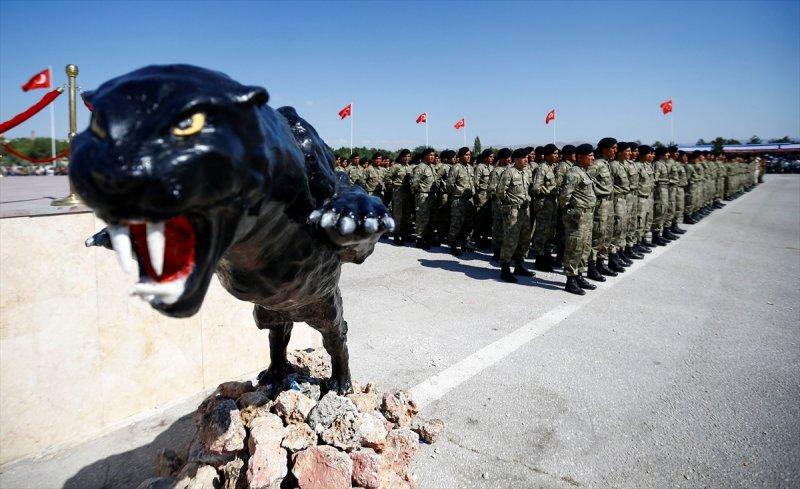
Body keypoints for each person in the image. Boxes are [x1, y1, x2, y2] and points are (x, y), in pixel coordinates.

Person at [559, 143, 598, 294]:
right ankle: (570, 280)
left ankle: (579, 275)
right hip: (577, 216)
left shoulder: (584, 171)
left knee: (585, 246)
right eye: (590, 155)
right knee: (574, 247)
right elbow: (564, 197)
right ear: (580, 157)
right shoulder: (574, 173)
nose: (593, 158)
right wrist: (571, 212)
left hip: (587, 216)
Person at [495, 148, 535, 282]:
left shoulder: (526, 172)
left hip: (525, 210)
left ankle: (519, 265)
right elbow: (500, 192)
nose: (526, 160)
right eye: (523, 158)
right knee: (510, 239)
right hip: (513, 211)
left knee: (524, 239)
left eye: (527, 158)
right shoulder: (509, 173)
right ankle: (505, 269)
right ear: (516, 159)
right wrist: (509, 203)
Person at [588, 137, 619, 276]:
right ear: (604, 149)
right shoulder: (596, 164)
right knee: (597, 235)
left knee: (607, 234)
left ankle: (601, 262)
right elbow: (586, 183)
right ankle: (591, 266)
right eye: (613, 148)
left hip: (609, 204)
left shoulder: (606, 164)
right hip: (600, 204)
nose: (615, 150)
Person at [531, 143, 559, 272]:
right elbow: (536, 188)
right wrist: (550, 190)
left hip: (552, 204)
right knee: (541, 232)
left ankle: (547, 255)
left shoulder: (552, 167)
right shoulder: (541, 168)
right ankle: (539, 258)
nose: (557, 156)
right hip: (543, 204)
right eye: (554, 154)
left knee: (550, 232)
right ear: (547, 155)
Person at [447, 147, 476, 255]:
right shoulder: (456, 168)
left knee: (469, 223)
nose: (468, 156)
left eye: (469, 154)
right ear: (460, 156)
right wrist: (456, 193)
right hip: (458, 200)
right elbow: (449, 185)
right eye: (466, 154)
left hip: (469, 200)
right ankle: (453, 244)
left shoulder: (470, 168)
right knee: (456, 223)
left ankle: (465, 242)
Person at [489, 148, 512, 260]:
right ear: (501, 158)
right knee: (498, 227)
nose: (509, 159)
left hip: (508, 204)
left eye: (510, 157)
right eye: (506, 157)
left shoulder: (511, 170)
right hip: (498, 204)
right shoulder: (496, 171)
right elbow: (492, 189)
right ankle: (497, 251)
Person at [411, 148, 437, 249]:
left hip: (431, 195)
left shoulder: (431, 167)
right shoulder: (420, 167)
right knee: (422, 218)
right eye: (430, 155)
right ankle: (420, 239)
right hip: (423, 195)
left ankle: (427, 237)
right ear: (425, 156)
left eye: (433, 155)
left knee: (430, 218)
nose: (432, 157)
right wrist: (420, 193)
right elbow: (414, 183)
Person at [387, 149, 414, 244]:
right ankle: (396, 235)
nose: (407, 158)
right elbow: (387, 178)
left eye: (408, 156)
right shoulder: (396, 167)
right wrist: (394, 185)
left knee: (407, 214)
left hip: (408, 192)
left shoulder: (410, 167)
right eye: (405, 156)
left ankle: (405, 234)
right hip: (398, 192)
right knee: (398, 214)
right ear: (401, 157)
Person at [472, 149, 494, 249]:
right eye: (490, 156)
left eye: (493, 157)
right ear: (485, 157)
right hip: (482, 195)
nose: (492, 158)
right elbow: (475, 182)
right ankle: (477, 239)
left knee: (488, 218)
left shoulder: (492, 168)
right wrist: (479, 193)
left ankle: (485, 238)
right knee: (480, 217)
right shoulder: (479, 167)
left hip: (490, 196)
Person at [650, 146, 672, 246]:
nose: (668, 154)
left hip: (664, 189)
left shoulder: (663, 164)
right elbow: (655, 179)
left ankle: (659, 234)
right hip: (660, 190)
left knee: (664, 211)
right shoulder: (657, 164)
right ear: (661, 154)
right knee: (659, 212)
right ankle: (655, 236)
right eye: (666, 153)